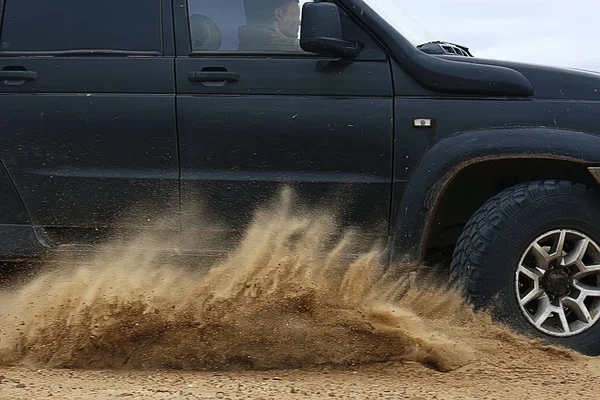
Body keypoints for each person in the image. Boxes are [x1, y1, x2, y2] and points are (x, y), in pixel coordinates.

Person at [238, 0, 303, 52]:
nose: (299, 22)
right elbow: (305, 47)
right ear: (279, 14)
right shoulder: (261, 38)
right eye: (296, 16)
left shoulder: (251, 37)